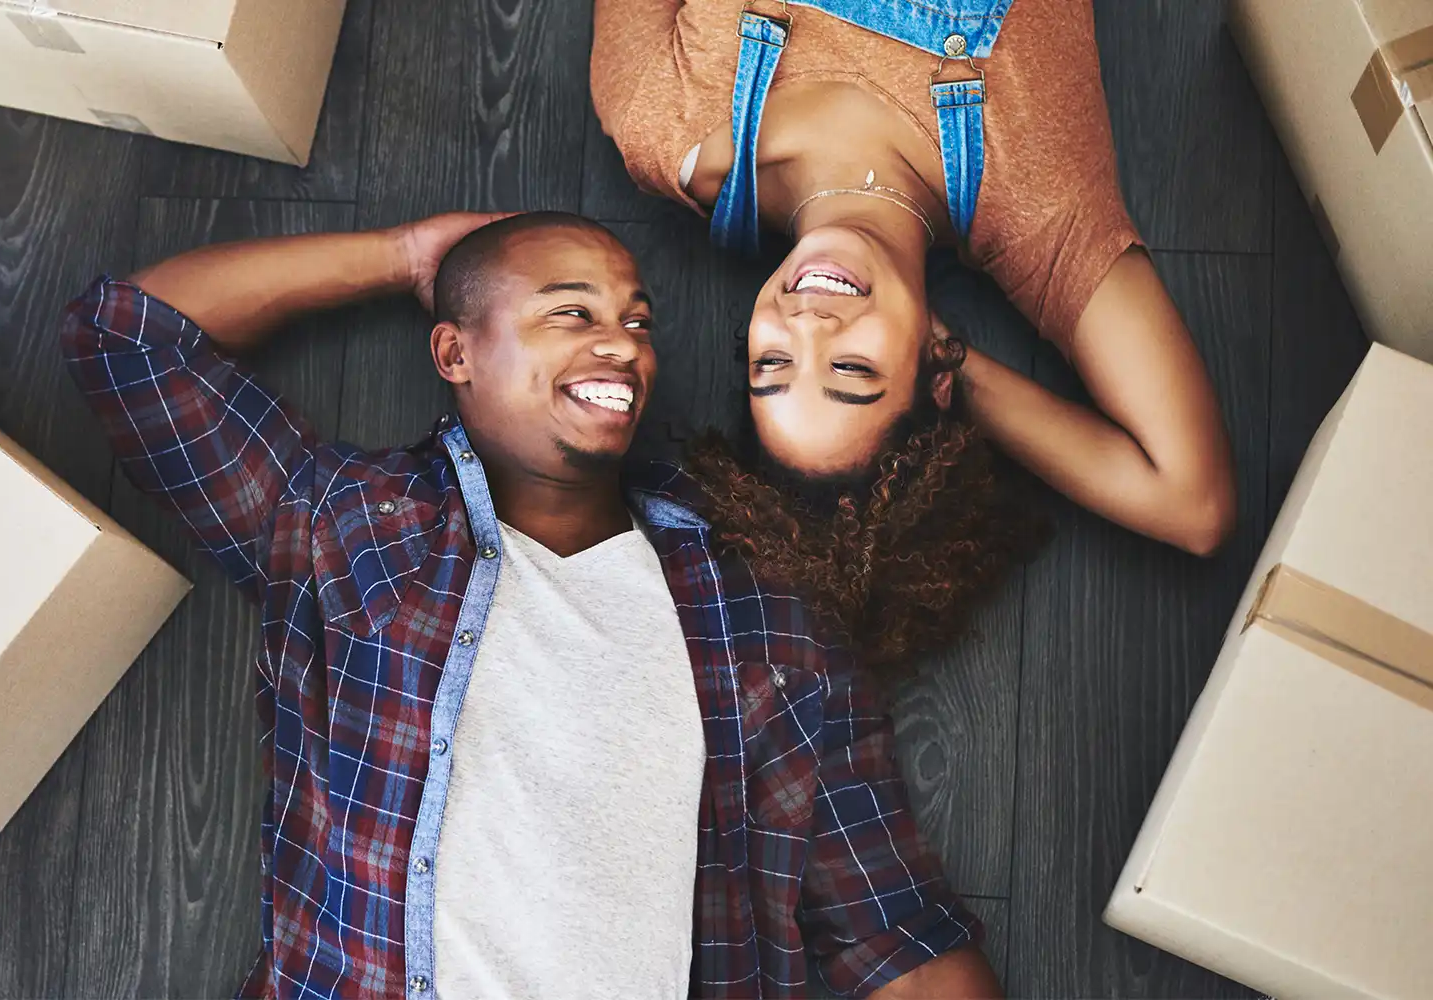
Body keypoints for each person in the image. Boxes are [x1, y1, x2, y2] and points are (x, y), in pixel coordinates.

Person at [61, 211, 1000, 997]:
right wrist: (406, 256)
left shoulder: (761, 607)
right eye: (569, 312)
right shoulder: (346, 526)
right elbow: (128, 338)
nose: (620, 344)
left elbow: (895, 933)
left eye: (637, 320)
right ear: (455, 352)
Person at [592, 0, 1239, 673]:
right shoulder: (1035, 205)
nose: (809, 327)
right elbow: (1192, 505)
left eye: (774, 361)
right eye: (851, 371)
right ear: (935, 373)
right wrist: (954, 359)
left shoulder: (665, 122)